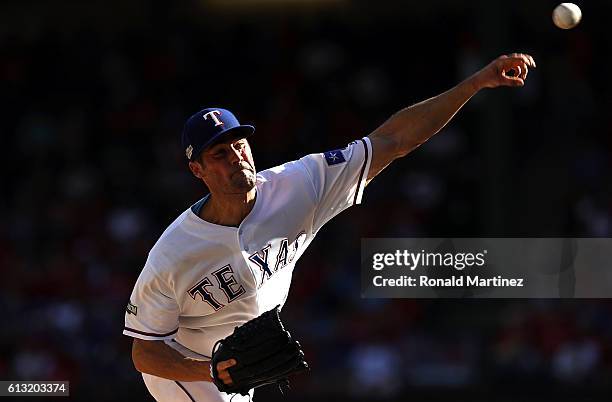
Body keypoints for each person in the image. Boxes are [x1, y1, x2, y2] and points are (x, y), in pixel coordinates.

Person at [123, 53, 535, 401]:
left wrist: (475, 83)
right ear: (197, 169)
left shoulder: (298, 185)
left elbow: (391, 141)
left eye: (239, 144)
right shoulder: (173, 254)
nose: (235, 157)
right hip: (183, 371)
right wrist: (211, 371)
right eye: (219, 153)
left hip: (236, 364)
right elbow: (145, 352)